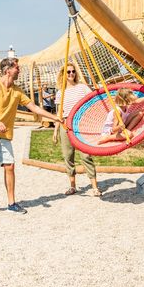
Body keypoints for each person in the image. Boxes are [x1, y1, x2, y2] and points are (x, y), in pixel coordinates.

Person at [0, 57, 62, 216]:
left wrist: (54, 117)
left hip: (5, 135)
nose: (19, 70)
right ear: (7, 70)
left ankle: (11, 203)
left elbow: (33, 107)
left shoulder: (17, 90)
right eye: (17, 68)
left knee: (9, 167)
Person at [53, 64, 101, 197]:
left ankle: (95, 187)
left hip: (80, 124)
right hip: (65, 125)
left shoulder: (82, 88)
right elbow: (59, 114)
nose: (71, 74)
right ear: (63, 74)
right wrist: (55, 131)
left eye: (73, 71)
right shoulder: (60, 92)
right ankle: (72, 186)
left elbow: (93, 101)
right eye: (68, 72)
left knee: (86, 155)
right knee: (68, 156)